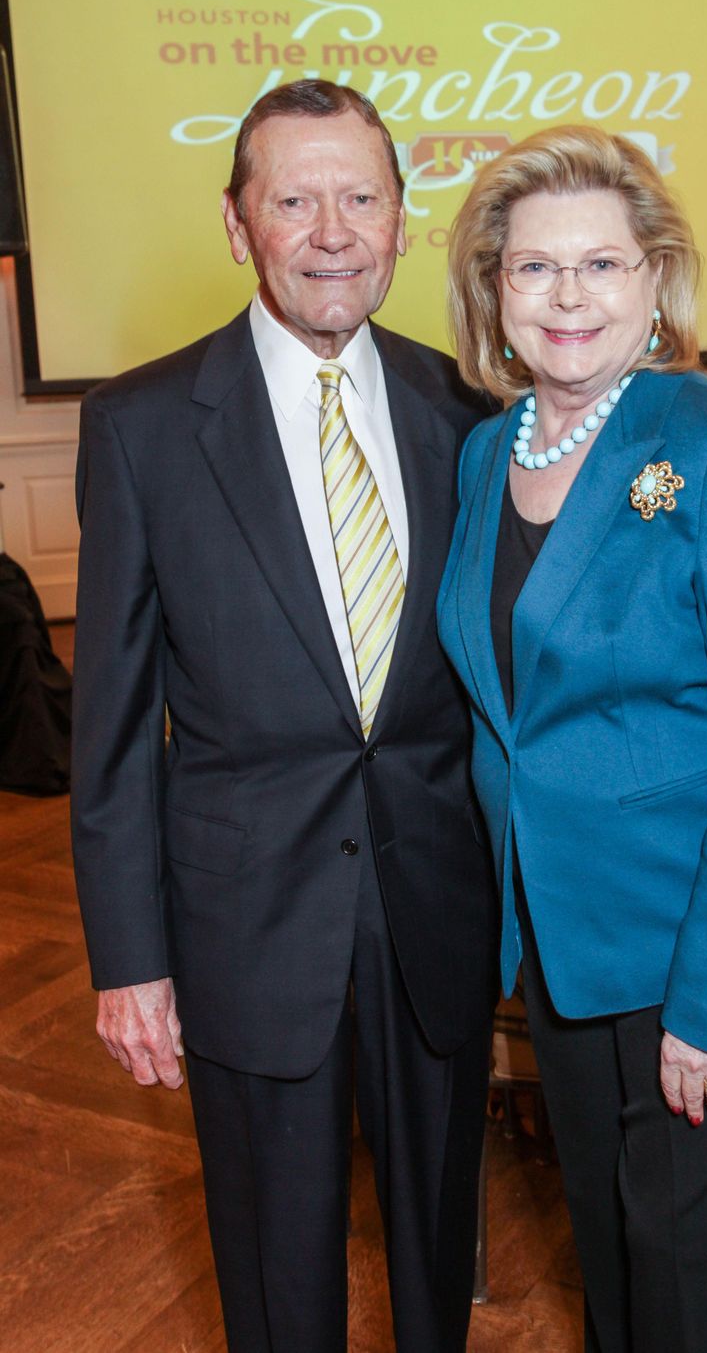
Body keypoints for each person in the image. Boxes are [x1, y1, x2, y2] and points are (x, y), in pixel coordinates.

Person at [70, 79, 498, 1353]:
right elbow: (108, 729)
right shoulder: (143, 426)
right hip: (245, 917)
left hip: (433, 906)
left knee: (439, 1241)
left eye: (360, 197)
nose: (331, 230)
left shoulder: (464, 414)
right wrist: (128, 959)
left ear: (401, 222)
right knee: (273, 1267)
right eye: (294, 198)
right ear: (237, 220)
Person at [437, 124, 707, 1353]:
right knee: (623, 1261)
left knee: (701, 1286)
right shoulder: (482, 454)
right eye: (532, 267)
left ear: (654, 282)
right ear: (492, 291)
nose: (567, 296)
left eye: (602, 265)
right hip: (568, 949)